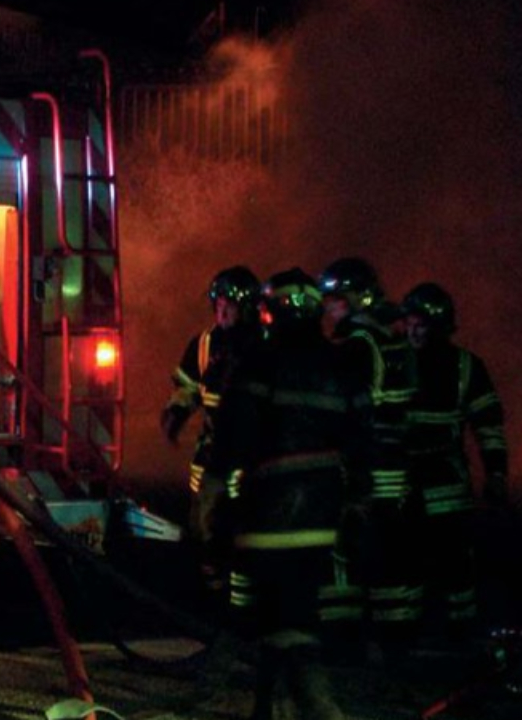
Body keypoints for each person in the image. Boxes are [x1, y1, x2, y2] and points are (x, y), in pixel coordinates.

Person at [209, 268, 373, 720]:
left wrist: (213, 493)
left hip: (266, 519)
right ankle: (276, 706)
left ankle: (316, 706)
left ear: (271, 311)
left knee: (280, 620)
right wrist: (358, 502)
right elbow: (362, 439)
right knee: (293, 614)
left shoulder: (259, 361)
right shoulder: (342, 365)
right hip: (320, 519)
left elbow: (232, 434)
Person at [318, 256, 422, 658]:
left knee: (344, 551)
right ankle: (397, 641)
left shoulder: (357, 345)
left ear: (357, 299)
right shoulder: (391, 338)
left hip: (365, 465)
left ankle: (342, 641)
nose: (329, 308)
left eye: (336, 300)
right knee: (390, 555)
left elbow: (347, 409)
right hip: (396, 464)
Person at [401, 282, 508, 637]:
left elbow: (488, 426)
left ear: (441, 326)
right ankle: (407, 632)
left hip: (445, 477)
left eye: (422, 324)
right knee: (404, 556)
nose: (414, 330)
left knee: (454, 559)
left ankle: (461, 630)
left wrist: (496, 474)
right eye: (410, 322)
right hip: (400, 476)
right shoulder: (393, 360)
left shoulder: (465, 366)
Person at [160, 265, 264, 598]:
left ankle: (245, 602)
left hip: (254, 456)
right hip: (213, 455)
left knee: (248, 531)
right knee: (205, 530)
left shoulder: (265, 346)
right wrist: (176, 411)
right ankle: (215, 601)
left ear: (247, 308)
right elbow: (188, 386)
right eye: (217, 303)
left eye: (229, 304)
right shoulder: (204, 344)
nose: (221, 310)